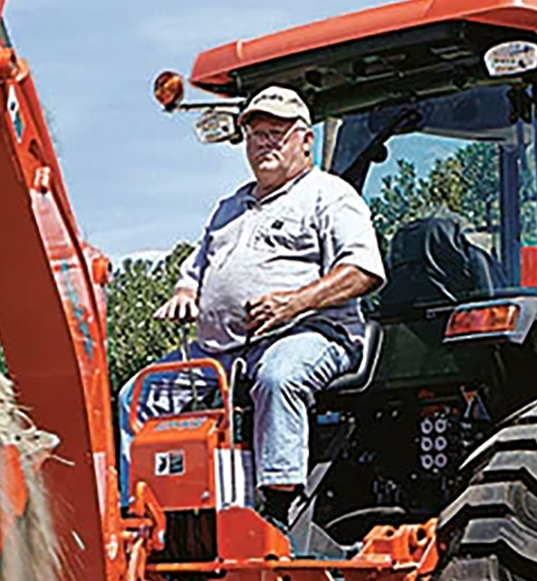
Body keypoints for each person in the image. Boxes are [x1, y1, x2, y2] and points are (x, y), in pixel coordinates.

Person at [142, 85, 384, 529]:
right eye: (256, 135)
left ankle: (277, 506)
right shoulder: (230, 207)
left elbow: (361, 270)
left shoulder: (329, 196)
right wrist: (184, 292)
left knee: (278, 376)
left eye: (277, 133)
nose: (265, 143)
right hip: (222, 350)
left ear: (305, 139)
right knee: (141, 396)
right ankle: (137, 509)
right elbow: (196, 267)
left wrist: (294, 304)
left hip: (310, 334)